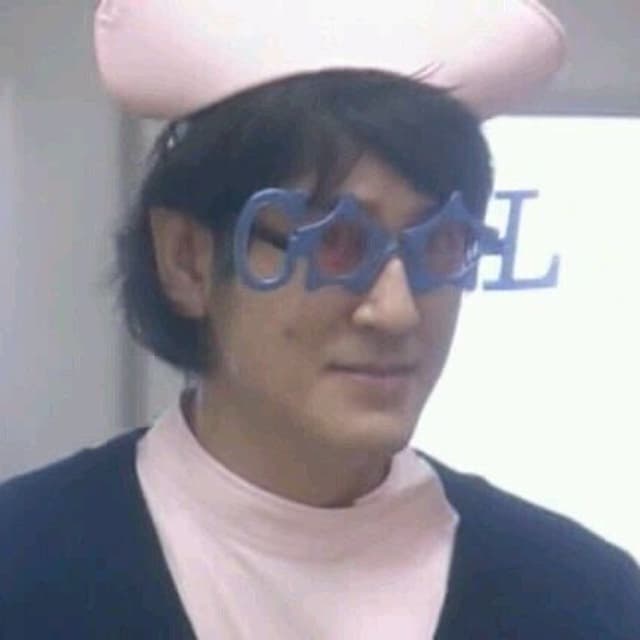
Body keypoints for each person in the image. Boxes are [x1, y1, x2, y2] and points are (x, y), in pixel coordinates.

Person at [1, 68, 638, 639]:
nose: (398, 312)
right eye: (335, 242)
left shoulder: (580, 597)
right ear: (187, 259)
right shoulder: (25, 565)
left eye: (441, 243)